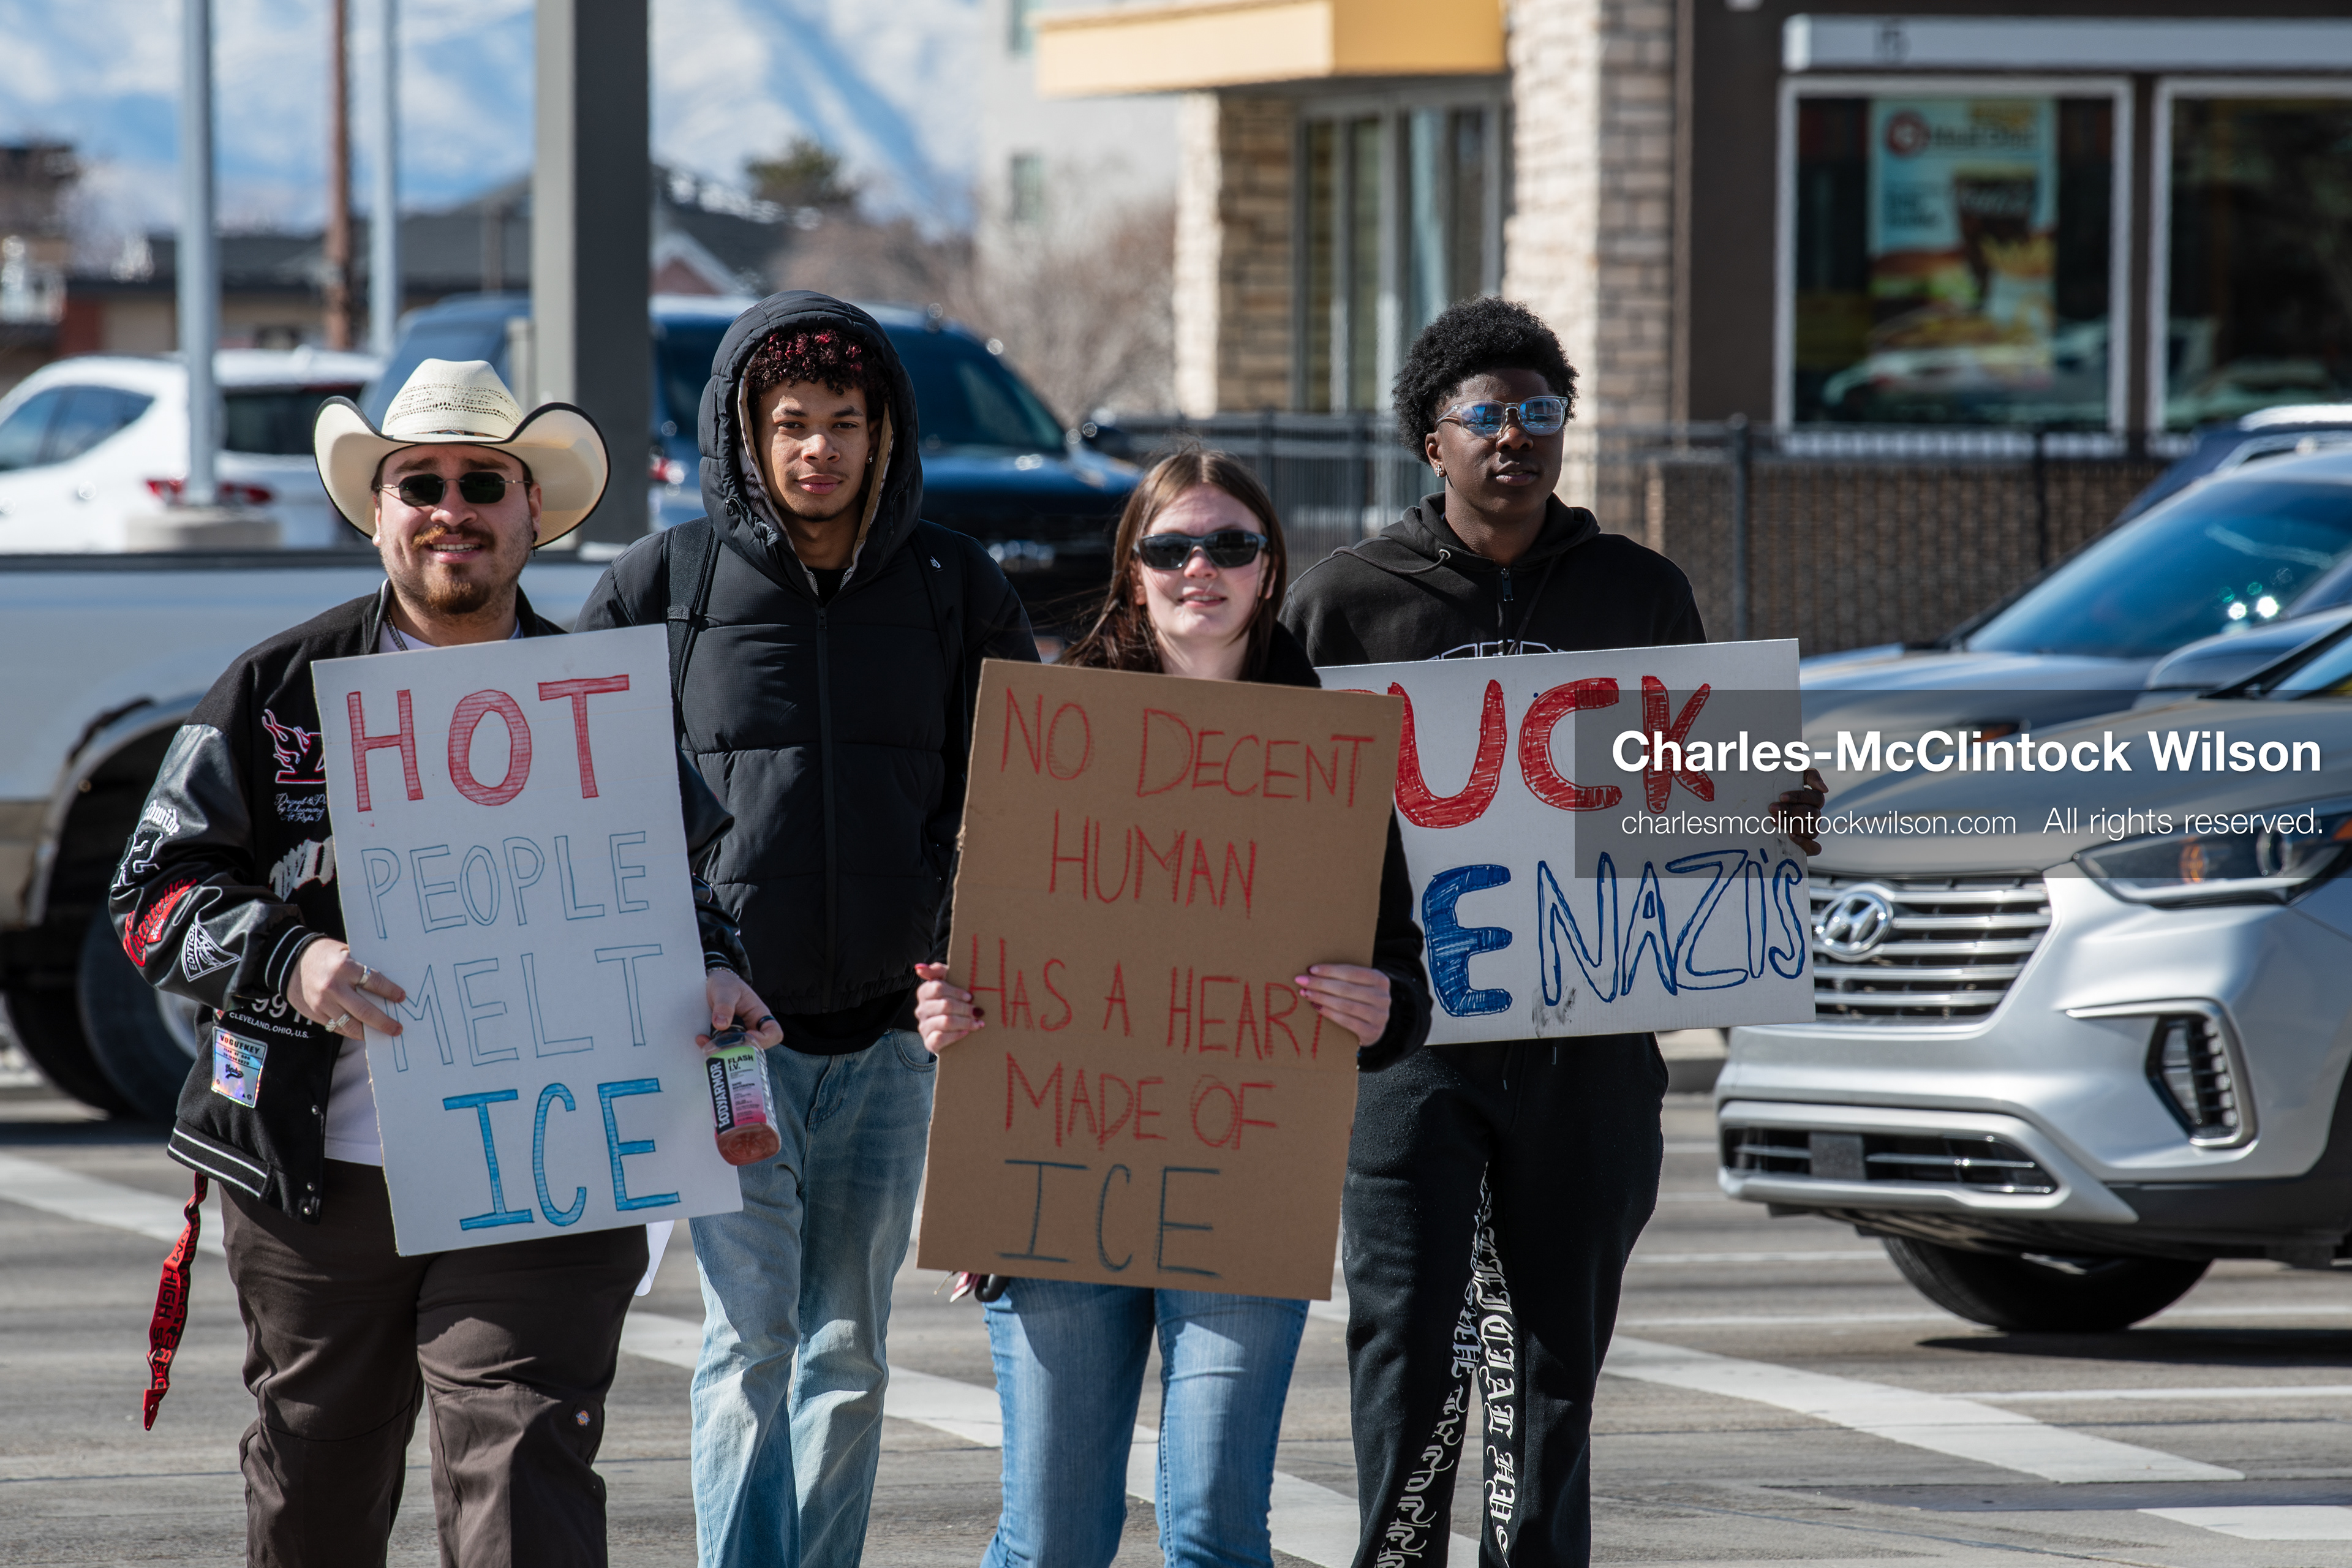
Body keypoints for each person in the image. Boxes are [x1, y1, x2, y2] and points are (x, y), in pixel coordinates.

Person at [111, 358, 780, 1567]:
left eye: (485, 483)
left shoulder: (599, 705)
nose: (451, 509)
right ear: (377, 509)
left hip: (549, 1165)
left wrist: (718, 976)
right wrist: (291, 956)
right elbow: (149, 897)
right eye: (420, 482)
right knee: (313, 1501)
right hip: (317, 1177)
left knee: (526, 1486)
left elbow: (683, 899)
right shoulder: (275, 696)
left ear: (534, 513)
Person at [1281, 298, 1825, 1567]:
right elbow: (1277, 816)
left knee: (1554, 1350)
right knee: (1412, 1341)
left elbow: (1706, 793)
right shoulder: (1345, 606)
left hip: (1592, 1039)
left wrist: (1776, 805)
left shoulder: (1640, 590)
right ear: (1432, 438)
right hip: (1412, 1044)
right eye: (1487, 414)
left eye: (1541, 412)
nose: (1517, 437)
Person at [574, 292, 1038, 1568]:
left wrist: (955, 953)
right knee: (749, 1341)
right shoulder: (658, 586)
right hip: (727, 1034)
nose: (817, 448)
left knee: (847, 1345)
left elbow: (1021, 795)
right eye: (790, 423)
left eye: (844, 421)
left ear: (886, 435)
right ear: (745, 432)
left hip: (889, 1037)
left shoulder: (956, 584)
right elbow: (576, 800)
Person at [913, 448, 1434, 1568]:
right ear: (1132, 570)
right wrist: (949, 1023)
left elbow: (1407, 986)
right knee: (1054, 1537)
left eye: (1231, 546)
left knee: (1211, 1525)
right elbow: (962, 945)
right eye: (1171, 547)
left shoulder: (1335, 759)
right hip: (1054, 1180)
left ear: (1269, 568)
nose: (1202, 568)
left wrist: (1377, 1005)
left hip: (1242, 1189)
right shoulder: (1052, 739)